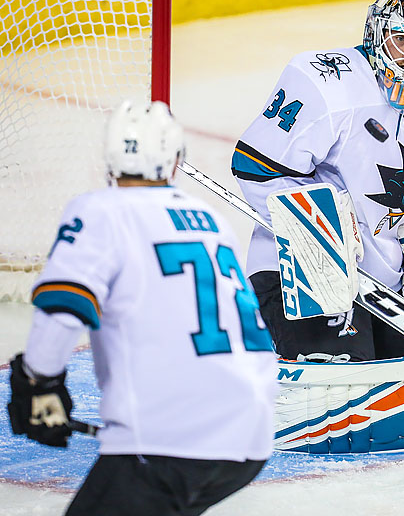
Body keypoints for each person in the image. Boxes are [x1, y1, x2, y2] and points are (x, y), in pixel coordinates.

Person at [231, 0, 404, 436]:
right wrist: (324, 229)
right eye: (402, 40)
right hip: (300, 277)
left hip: (387, 290)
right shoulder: (321, 82)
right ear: (377, 34)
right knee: (344, 388)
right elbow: (254, 169)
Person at [7, 101, 276, 515]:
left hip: (168, 434)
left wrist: (38, 382)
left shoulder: (99, 210)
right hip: (250, 434)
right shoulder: (211, 220)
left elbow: (64, 306)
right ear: (174, 161)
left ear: (111, 161)